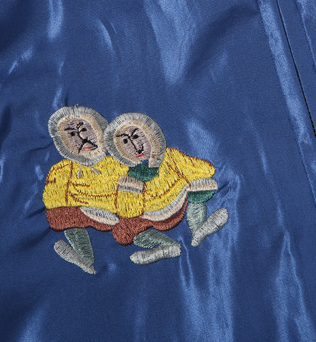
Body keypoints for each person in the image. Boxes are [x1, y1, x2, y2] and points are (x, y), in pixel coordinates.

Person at [104, 112, 229, 265]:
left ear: (150, 135)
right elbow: (127, 210)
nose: (135, 145)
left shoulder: (169, 157)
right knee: (124, 231)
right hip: (152, 214)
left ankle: (196, 230)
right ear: (120, 152)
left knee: (203, 185)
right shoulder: (130, 176)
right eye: (125, 142)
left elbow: (206, 170)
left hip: (175, 204)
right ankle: (170, 245)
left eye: (136, 136)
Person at [43, 105, 128, 274]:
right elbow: (54, 200)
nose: (82, 138)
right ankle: (85, 259)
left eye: (85, 129)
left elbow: (127, 197)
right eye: (72, 134)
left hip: (113, 216)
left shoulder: (117, 165)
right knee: (63, 217)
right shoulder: (62, 169)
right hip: (78, 215)